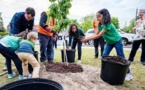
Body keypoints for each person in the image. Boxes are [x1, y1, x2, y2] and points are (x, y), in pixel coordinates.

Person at [81, 9, 133, 81]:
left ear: (105, 16)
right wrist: (86, 38)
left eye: (99, 16)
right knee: (104, 56)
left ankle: (128, 74)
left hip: (117, 41)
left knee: (121, 57)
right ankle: (105, 71)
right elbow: (95, 34)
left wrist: (86, 39)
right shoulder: (99, 25)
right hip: (109, 43)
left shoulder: (108, 24)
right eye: (97, 16)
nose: (97, 18)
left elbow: (98, 36)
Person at [2, 7, 36, 72]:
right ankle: (7, 65)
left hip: (23, 30)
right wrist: (21, 39)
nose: (30, 19)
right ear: (25, 13)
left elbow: (30, 29)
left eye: (31, 18)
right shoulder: (17, 16)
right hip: (14, 31)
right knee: (11, 47)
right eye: (28, 17)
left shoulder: (31, 18)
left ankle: (23, 62)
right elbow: (15, 35)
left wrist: (29, 38)